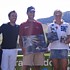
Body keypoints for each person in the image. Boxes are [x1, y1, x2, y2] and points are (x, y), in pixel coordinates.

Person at [19, 6, 45, 70]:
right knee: (26, 67)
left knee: (37, 67)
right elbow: (20, 38)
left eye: (33, 12)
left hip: (38, 49)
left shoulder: (39, 24)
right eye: (30, 12)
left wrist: (44, 48)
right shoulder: (23, 24)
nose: (32, 13)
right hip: (28, 49)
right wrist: (22, 48)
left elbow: (42, 37)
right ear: (27, 13)